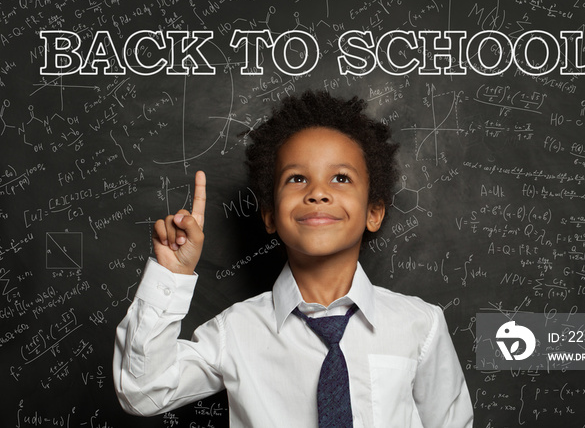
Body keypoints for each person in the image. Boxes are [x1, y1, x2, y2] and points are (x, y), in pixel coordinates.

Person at [113, 90, 474, 427]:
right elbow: (142, 391)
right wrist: (171, 276)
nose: (318, 192)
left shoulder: (420, 326)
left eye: (341, 178)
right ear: (270, 215)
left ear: (374, 212)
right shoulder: (236, 332)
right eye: (297, 178)